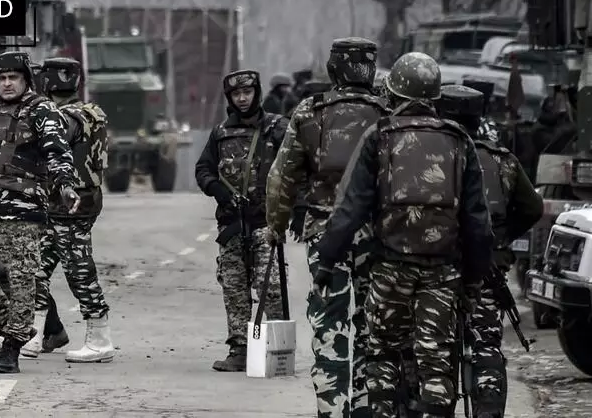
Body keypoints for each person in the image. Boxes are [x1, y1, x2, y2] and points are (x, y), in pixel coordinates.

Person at [312, 52, 494, 418]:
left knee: (382, 356)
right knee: (436, 360)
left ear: (393, 92)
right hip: (443, 274)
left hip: (390, 270)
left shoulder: (379, 136)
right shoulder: (458, 140)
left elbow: (350, 207)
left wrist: (327, 261)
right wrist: (473, 280)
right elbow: (477, 221)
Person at [266, 37, 389, 418]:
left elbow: (282, 177)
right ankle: (367, 407)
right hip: (379, 235)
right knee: (373, 325)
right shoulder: (388, 112)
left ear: (334, 69)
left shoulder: (310, 111)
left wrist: (276, 225)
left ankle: (332, 409)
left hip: (324, 234)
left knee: (329, 326)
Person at [0, 50, 80, 374]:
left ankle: (11, 346)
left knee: (22, 278)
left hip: (22, 210)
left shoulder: (43, 111)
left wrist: (66, 186)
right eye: (2, 78)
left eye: (14, 77)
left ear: (26, 80)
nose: (7, 83)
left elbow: (57, 152)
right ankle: (8, 323)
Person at [436, 84, 543, 418]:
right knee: (486, 346)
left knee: (433, 348)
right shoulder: (501, 160)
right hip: (488, 269)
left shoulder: (426, 153)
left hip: (437, 269)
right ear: (478, 117)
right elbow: (533, 208)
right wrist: (501, 238)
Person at [20, 56, 114, 363]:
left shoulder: (62, 118)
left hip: (68, 205)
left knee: (79, 273)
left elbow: (45, 148)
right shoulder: (90, 112)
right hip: (71, 203)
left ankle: (100, 340)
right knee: (34, 268)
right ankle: (34, 335)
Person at [195, 69, 288, 372]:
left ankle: (275, 350)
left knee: (270, 288)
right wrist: (218, 190)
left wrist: (293, 210)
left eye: (247, 92)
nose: (243, 98)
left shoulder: (277, 128)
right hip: (232, 223)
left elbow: (296, 166)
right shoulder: (221, 133)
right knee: (234, 288)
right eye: (236, 94)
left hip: (266, 223)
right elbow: (203, 169)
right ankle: (240, 350)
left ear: (257, 93)